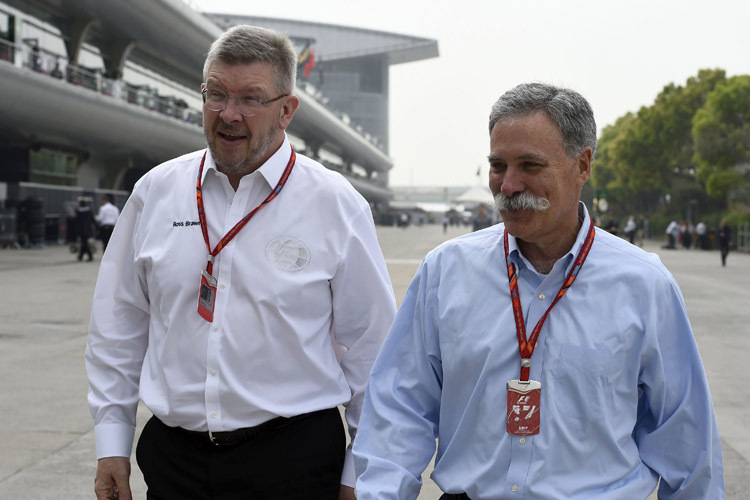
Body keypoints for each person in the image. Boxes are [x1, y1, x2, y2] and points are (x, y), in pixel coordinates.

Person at [353, 83, 723, 499]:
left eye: (530, 165)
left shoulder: (644, 285)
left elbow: (686, 442)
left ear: (582, 165)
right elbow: (400, 409)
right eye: (498, 165)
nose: (508, 185)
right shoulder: (446, 271)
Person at [86, 25, 396, 500]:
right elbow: (118, 323)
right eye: (216, 95)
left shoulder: (337, 205)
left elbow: (371, 349)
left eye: (250, 98)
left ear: (287, 109)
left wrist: (359, 470)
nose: (228, 115)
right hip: (175, 463)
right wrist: (111, 442)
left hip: (294, 462)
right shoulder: (156, 192)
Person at [75, 197, 95, 261]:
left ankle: (89, 255)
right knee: (84, 242)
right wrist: (97, 227)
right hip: (88, 229)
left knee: (84, 243)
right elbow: (92, 219)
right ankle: (81, 256)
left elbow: (77, 221)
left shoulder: (78, 211)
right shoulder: (89, 211)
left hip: (81, 230)